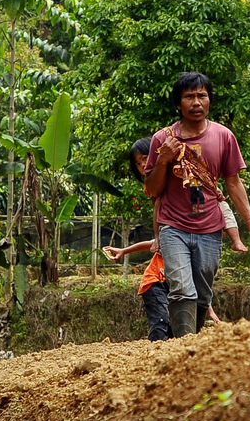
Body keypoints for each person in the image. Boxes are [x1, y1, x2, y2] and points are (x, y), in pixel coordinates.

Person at [140, 72, 250, 337]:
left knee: (202, 293)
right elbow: (153, 190)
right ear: (178, 103)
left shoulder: (224, 137)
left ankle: (192, 342)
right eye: (189, 96)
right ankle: (183, 344)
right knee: (181, 288)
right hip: (173, 226)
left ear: (210, 100)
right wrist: (163, 159)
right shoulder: (161, 139)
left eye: (202, 95)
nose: (196, 102)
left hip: (211, 229)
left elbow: (233, 183)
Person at [103, 138, 240, 338]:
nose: (142, 167)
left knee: (177, 319)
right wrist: (152, 239)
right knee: (161, 327)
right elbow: (157, 213)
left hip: (170, 281)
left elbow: (200, 290)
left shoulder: (185, 176)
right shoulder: (169, 225)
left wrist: (212, 190)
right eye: (138, 164)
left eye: (144, 160)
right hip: (156, 281)